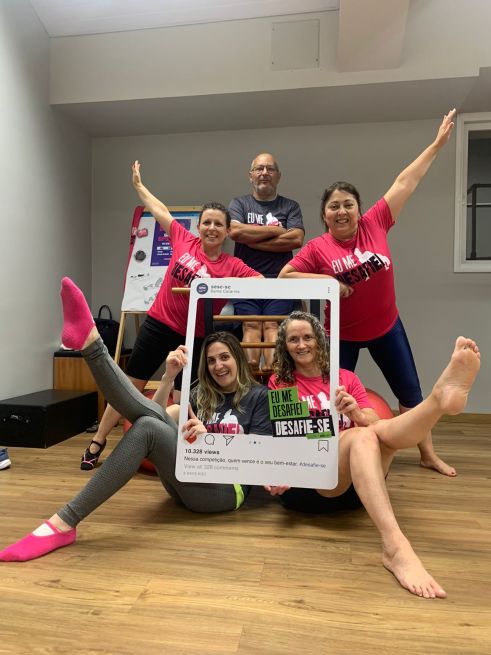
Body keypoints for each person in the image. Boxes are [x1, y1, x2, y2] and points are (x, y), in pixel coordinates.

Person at [0, 279, 273, 563]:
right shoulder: (201, 394)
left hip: (224, 491)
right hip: (185, 477)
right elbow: (157, 415)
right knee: (148, 423)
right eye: (212, 360)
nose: (218, 366)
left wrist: (212, 440)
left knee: (147, 427)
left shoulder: (259, 397)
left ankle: (62, 523)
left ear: (238, 359)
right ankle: (91, 345)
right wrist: (167, 377)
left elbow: (259, 457)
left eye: (225, 357)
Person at [278, 110, 457, 476]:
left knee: (411, 394)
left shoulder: (376, 222)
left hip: (387, 327)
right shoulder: (317, 248)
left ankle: (427, 453)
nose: (341, 210)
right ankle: (332, 454)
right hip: (341, 335)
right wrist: (329, 283)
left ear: (359, 210)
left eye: (348, 204)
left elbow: (406, 181)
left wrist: (437, 144)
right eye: (334, 206)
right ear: (325, 216)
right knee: (333, 396)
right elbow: (286, 275)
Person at [268, 311, 480, 598]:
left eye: (308, 337)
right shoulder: (281, 383)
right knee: (362, 435)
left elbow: (373, 421)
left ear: (319, 340)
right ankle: (395, 546)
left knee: (373, 431)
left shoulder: (344, 378)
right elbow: (288, 437)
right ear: (285, 346)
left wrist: (355, 412)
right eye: (294, 339)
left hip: (362, 484)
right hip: (310, 486)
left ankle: (439, 401)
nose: (302, 344)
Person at [81, 161, 262, 471]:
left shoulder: (232, 266)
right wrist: (139, 186)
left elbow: (260, 283)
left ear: (227, 231)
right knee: (129, 387)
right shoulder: (183, 239)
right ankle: (98, 441)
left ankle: (172, 456)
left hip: (195, 337)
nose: (212, 228)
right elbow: (159, 209)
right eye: (207, 222)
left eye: (218, 224)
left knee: (182, 399)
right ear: (199, 226)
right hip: (159, 325)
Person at [229, 153, 304, 370]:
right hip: (246, 279)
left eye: (270, 169)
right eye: (259, 169)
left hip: (279, 280)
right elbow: (235, 231)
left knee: (273, 325)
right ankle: (252, 380)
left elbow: (295, 239)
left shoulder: (290, 206)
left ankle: (273, 379)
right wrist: (275, 231)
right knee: (250, 325)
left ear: (278, 176)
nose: (264, 173)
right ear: (250, 175)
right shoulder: (239, 203)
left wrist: (251, 240)